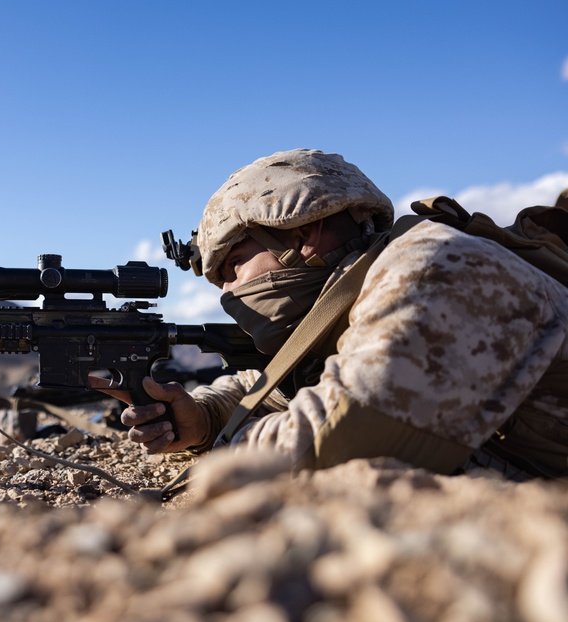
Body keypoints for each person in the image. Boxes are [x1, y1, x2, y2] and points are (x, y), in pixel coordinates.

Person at [119, 148, 568, 480]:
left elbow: (333, 441)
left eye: (233, 268)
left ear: (304, 234)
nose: (230, 294)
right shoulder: (358, 300)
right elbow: (286, 386)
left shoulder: (433, 269)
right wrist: (204, 418)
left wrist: (230, 444)